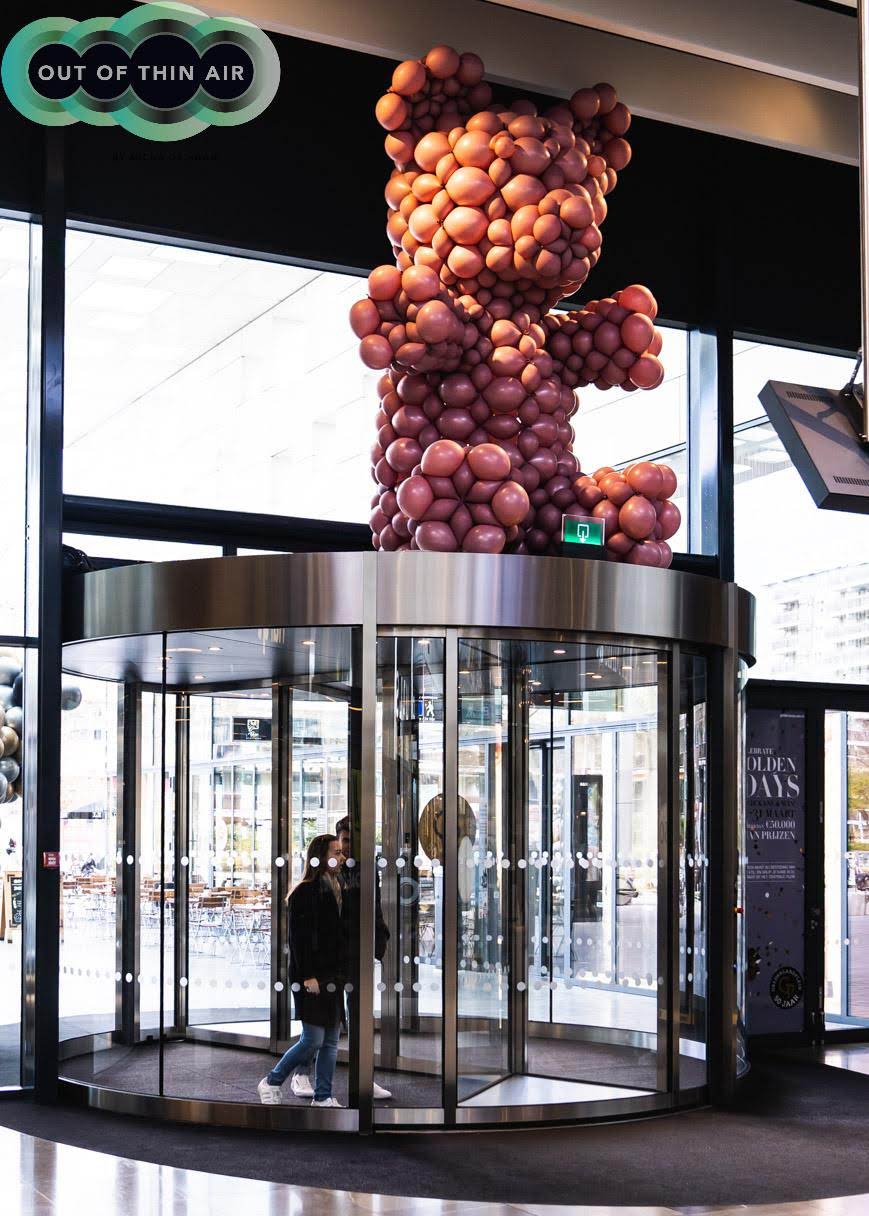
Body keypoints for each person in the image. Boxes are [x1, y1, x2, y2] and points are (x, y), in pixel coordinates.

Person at [289, 815, 393, 1101]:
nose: (347, 849)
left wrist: (378, 943)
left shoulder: (366, 869)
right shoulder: (327, 870)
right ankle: (301, 1073)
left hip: (356, 953)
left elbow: (374, 907)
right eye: (344, 842)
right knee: (321, 1021)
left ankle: (363, 1077)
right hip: (332, 957)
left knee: (359, 1017)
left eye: (352, 842)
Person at [258, 834, 346, 1107]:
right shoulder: (305, 891)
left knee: (331, 1040)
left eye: (342, 852)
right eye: (337, 852)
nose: (342, 857)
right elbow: (299, 939)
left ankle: (323, 1096)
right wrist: (308, 975)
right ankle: (272, 1080)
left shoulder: (336, 885)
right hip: (312, 976)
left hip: (332, 974)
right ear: (320, 855)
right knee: (313, 1039)